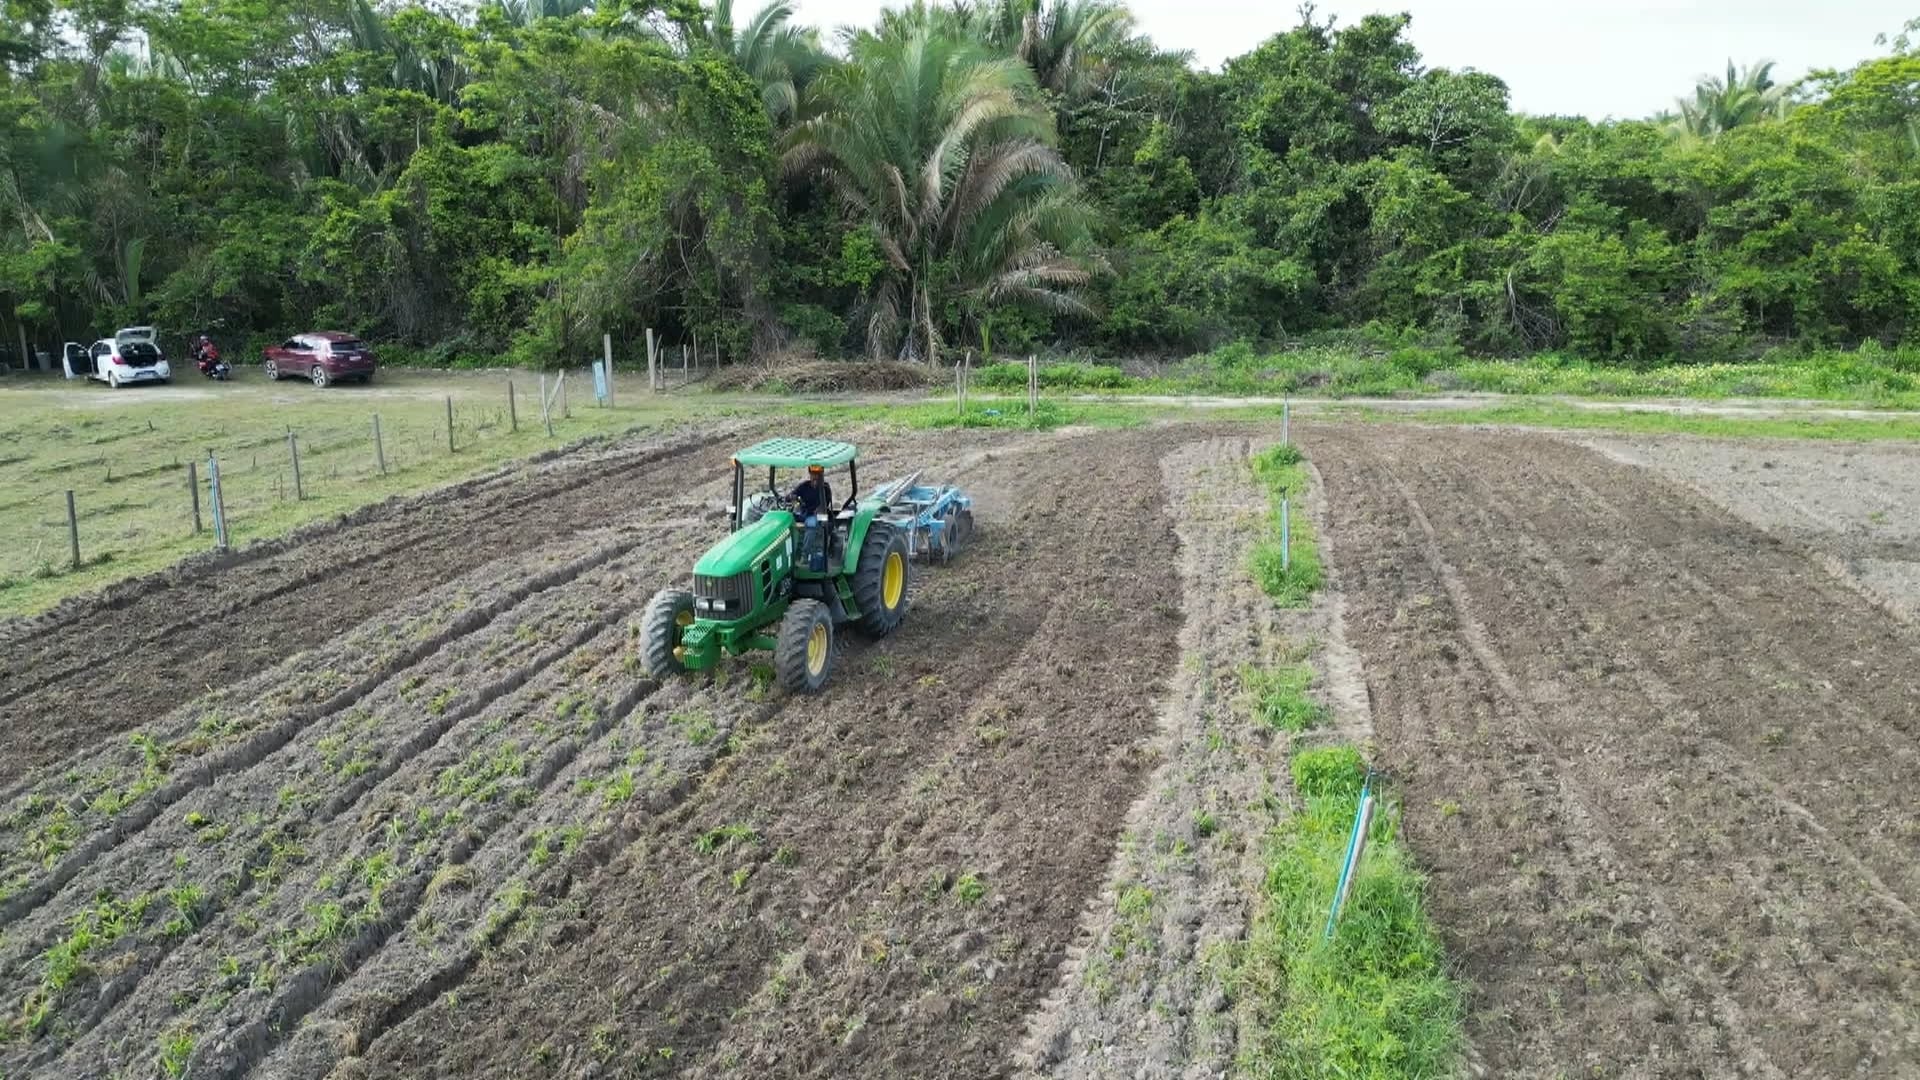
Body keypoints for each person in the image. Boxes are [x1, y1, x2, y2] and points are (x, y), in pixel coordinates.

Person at [790, 465, 833, 570]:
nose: (815, 477)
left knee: (812, 524)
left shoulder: (825, 488)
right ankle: (792, 552)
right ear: (810, 474)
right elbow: (792, 495)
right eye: (813, 474)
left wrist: (819, 509)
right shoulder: (804, 486)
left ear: (821, 475)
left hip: (818, 514)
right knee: (788, 518)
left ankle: (804, 555)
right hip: (805, 513)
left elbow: (826, 503)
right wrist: (794, 499)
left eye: (817, 475)